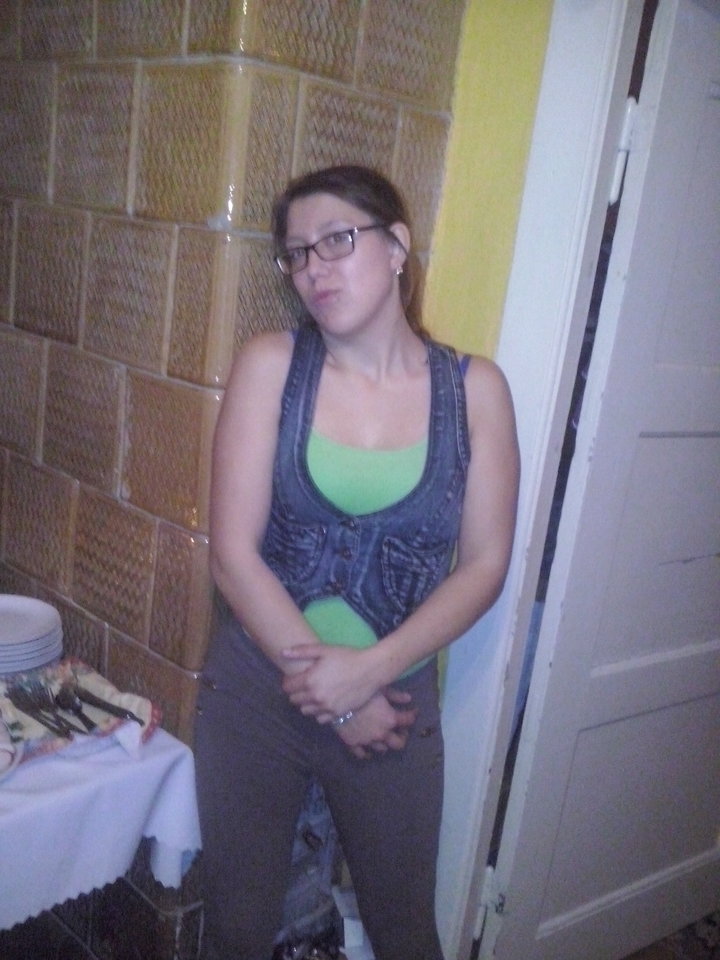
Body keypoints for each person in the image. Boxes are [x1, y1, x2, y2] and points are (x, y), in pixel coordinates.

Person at [194, 164, 519, 960]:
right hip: (256, 690)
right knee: (237, 928)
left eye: (337, 240)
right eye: (297, 253)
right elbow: (233, 556)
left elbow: (485, 565)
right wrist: (338, 699)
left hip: (393, 706)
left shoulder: (475, 390)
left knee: (405, 929)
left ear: (398, 246)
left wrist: (370, 674)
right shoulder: (271, 365)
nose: (314, 267)